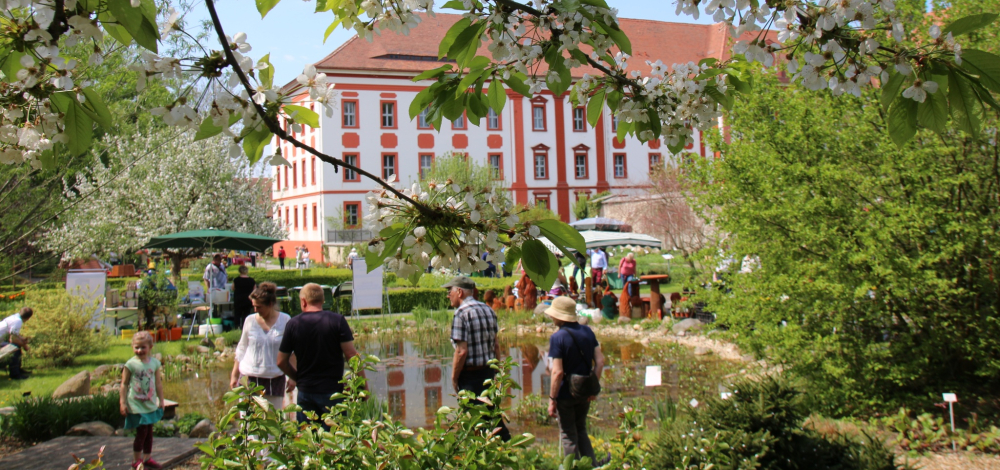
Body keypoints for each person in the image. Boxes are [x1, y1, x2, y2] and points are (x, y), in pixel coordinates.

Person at [277, 283, 362, 426]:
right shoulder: (337, 321)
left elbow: (281, 361)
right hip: (333, 392)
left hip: (306, 392)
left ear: (303, 301)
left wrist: (297, 378)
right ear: (322, 301)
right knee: (336, 441)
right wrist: (361, 386)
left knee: (309, 442)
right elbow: (352, 355)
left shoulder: (294, 324)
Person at [445, 275, 511, 441]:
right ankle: (501, 449)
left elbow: (461, 351)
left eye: (449, 291)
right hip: (487, 372)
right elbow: (495, 345)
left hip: (470, 376)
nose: (448, 296)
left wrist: (454, 378)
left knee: (475, 418)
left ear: (459, 292)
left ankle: (501, 446)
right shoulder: (488, 310)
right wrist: (497, 371)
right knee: (490, 412)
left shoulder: (460, 314)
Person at [545, 296, 605, 464]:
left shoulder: (557, 338)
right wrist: (593, 387)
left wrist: (552, 400)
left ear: (559, 316)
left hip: (565, 393)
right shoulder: (588, 332)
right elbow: (600, 362)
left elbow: (557, 372)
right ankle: (591, 466)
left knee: (568, 435)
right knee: (581, 429)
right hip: (584, 391)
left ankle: (572, 467)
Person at [231, 282, 291, 410]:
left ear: (270, 304)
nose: (255, 310)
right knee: (248, 422)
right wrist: (234, 375)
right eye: (254, 306)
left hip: (274, 378)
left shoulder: (285, 320)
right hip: (249, 377)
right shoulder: (250, 320)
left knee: (273, 420)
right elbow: (242, 348)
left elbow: (293, 351)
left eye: (258, 307)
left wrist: (292, 376)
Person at [119, 331, 165, 469]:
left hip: (149, 403)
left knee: (149, 432)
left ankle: (147, 458)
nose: (139, 350)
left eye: (143, 347)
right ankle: (135, 460)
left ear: (150, 347)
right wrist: (122, 402)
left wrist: (161, 400)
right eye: (136, 347)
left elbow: (158, 383)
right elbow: (124, 384)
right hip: (136, 404)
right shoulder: (131, 364)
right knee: (142, 431)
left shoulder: (154, 363)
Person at [0, 307, 32, 379]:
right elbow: (12, 339)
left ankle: (18, 370)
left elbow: (13, 334)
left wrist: (21, 339)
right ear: (28, 318)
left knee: (16, 346)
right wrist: (24, 345)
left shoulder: (15, 317)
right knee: (15, 349)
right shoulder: (18, 321)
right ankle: (15, 375)